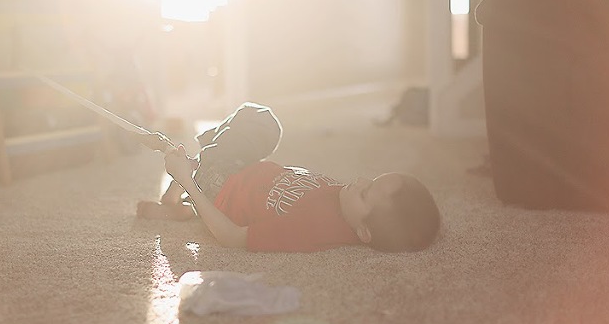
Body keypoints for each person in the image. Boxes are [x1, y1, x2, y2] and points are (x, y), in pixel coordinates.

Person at [136, 103, 440, 253]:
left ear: (363, 232)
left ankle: (187, 184)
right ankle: (185, 194)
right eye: (371, 180)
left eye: (365, 193)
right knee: (263, 121)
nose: (360, 181)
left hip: (220, 184)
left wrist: (189, 181)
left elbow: (233, 238)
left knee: (253, 122)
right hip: (244, 169)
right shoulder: (347, 203)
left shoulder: (314, 228)